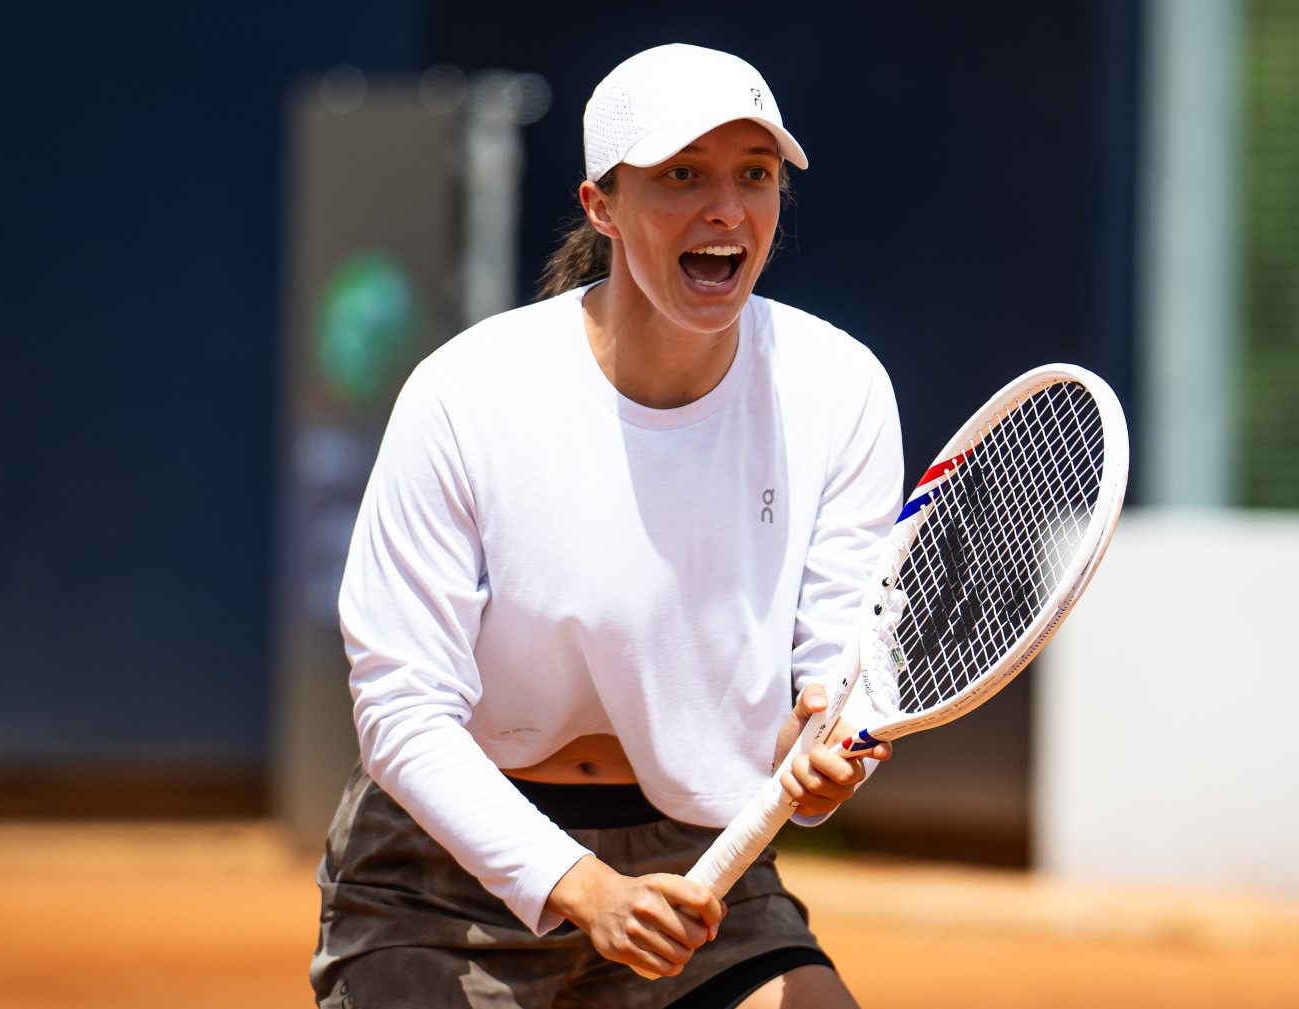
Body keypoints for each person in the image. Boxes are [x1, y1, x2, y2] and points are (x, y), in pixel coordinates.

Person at [311, 43, 904, 1009]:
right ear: (602, 207)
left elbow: (836, 651)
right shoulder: (468, 395)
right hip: (448, 861)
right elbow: (400, 707)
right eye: (682, 175)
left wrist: (829, 736)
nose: (726, 208)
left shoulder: (839, 388)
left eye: (754, 175)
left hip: (703, 855)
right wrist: (582, 886)